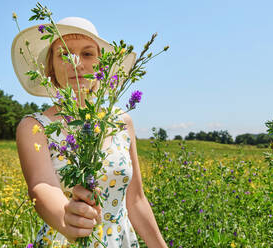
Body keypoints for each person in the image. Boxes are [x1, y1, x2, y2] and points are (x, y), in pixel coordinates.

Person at [12, 17, 167, 247]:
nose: (76, 63)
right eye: (64, 54)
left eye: (87, 54)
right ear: (50, 66)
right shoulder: (35, 126)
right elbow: (41, 185)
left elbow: (135, 201)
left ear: (101, 64)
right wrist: (66, 218)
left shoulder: (122, 122)